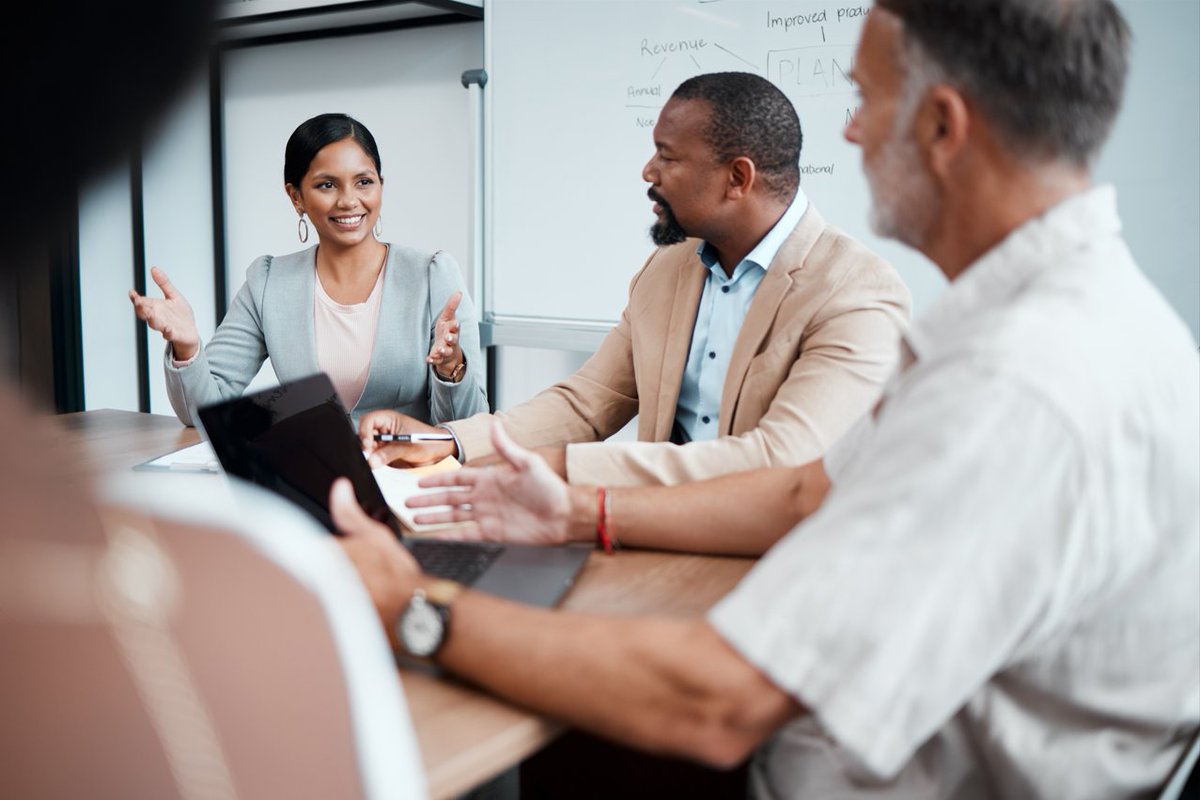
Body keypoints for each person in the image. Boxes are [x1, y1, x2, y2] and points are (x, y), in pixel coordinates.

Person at [333, 1, 1200, 796]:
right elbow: (804, 490)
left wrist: (414, 611)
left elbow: (719, 701)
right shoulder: (1064, 321)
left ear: (942, 126)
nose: (852, 132)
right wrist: (560, 506)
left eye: (867, 97)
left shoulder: (1012, 380)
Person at [359, 72, 911, 487]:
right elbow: (586, 403)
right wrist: (449, 441)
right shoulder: (666, 269)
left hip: (782, 560)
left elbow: (779, 461)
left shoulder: (856, 290)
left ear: (737, 178)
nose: (648, 172)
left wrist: (554, 468)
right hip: (651, 533)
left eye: (666, 157)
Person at [129, 112, 487, 428]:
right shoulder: (269, 283)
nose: (349, 200)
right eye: (326, 185)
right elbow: (201, 413)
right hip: (313, 481)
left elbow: (470, 427)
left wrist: (451, 368)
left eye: (364, 181)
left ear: (380, 186)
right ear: (296, 196)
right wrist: (188, 347)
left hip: (412, 483)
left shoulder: (432, 275)